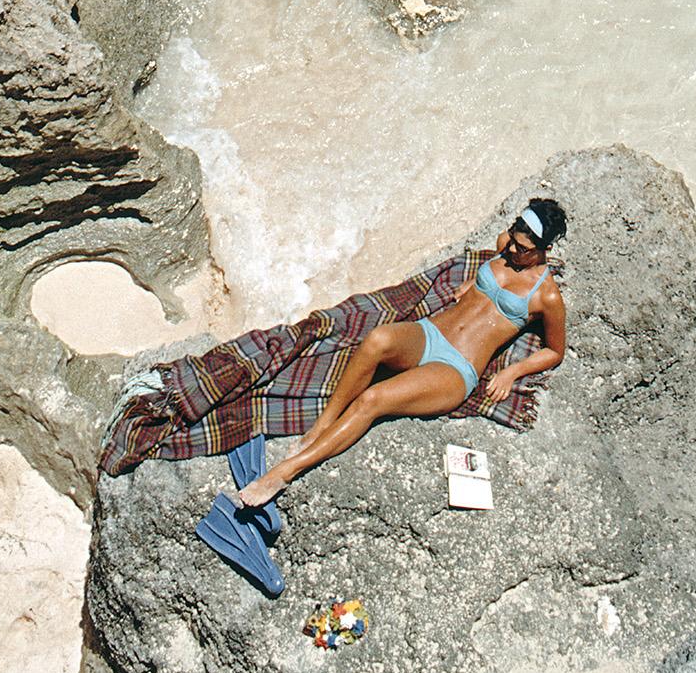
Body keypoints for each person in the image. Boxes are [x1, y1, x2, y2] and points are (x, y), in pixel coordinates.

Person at [232, 200, 568, 512]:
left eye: (522, 249)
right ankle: (321, 426)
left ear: (545, 250)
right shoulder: (502, 247)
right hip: (430, 332)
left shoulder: (547, 297)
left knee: (373, 399)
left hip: (455, 367)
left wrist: (511, 372)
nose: (511, 249)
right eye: (512, 239)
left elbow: (555, 350)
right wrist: (471, 285)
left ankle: (284, 472)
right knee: (377, 339)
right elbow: (489, 273)